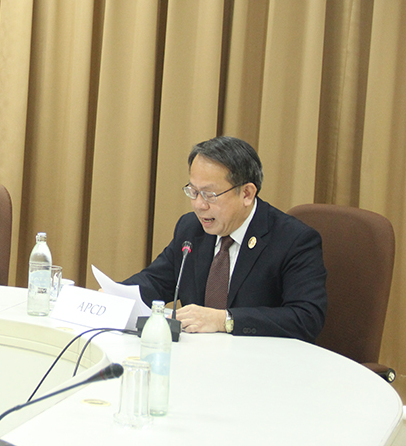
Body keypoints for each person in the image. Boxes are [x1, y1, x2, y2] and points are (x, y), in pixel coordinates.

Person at [123, 136, 327, 342]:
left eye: (209, 194)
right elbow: (155, 281)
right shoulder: (191, 228)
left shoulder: (293, 240)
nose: (199, 205)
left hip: (261, 363)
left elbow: (306, 318)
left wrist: (225, 320)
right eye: (193, 191)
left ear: (247, 193)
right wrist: (115, 297)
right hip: (196, 357)